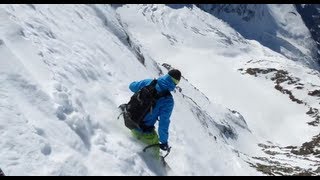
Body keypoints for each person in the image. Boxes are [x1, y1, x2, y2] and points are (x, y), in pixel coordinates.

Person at [128, 69, 181, 158]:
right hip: (141, 130)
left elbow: (131, 87)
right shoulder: (168, 101)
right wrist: (164, 142)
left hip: (128, 115)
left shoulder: (149, 82)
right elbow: (163, 123)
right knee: (155, 147)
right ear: (175, 83)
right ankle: (156, 164)